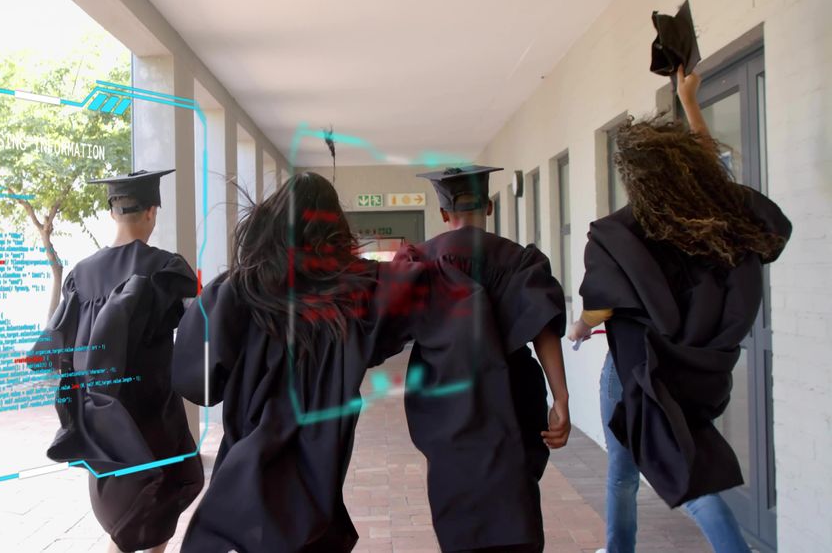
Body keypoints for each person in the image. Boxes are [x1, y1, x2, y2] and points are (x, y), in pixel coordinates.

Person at [171, 171, 524, 552]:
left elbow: (198, 385)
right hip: (314, 489)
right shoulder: (360, 290)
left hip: (239, 488)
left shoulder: (232, 292)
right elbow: (443, 297)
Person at [569, 66, 792, 553]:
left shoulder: (624, 231)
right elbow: (717, 178)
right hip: (693, 370)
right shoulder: (716, 220)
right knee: (661, 461)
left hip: (637, 371)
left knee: (653, 471)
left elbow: (602, 305)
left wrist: (580, 327)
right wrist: (689, 103)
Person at [394, 165, 571, 552]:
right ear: (488, 207)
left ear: (443, 214)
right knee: (516, 488)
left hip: (444, 390)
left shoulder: (419, 259)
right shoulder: (519, 259)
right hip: (512, 388)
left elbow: (389, 325)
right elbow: (543, 328)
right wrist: (561, 398)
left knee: (455, 487)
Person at [33, 169, 203, 553]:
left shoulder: (81, 273)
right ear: (151, 212)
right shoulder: (167, 267)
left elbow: (62, 344)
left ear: (112, 213)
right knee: (157, 502)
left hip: (102, 417)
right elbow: (200, 329)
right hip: (154, 410)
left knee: (124, 511)